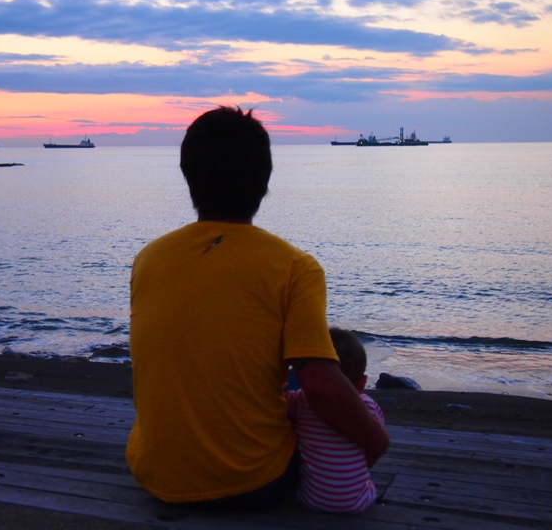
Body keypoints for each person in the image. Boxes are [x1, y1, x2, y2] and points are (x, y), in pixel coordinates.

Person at [126, 106, 389, 509]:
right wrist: (377, 439)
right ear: (264, 182)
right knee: (309, 377)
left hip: (155, 473)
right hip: (254, 482)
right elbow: (321, 388)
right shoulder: (295, 267)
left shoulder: (149, 259)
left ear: (188, 176)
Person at [285, 328, 385, 513]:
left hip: (309, 500)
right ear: (362, 382)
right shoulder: (369, 407)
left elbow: (279, 403)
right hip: (357, 503)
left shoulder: (301, 401)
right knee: (367, 481)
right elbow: (373, 444)